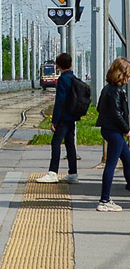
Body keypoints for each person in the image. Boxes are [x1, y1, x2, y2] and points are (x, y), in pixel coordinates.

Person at [38, 52, 80, 184]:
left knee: (55, 143)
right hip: (72, 117)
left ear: (58, 65)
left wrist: (54, 121)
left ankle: (52, 172)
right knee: (70, 144)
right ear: (70, 64)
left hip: (63, 118)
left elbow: (60, 101)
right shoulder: (73, 78)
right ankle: (73, 174)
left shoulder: (62, 79)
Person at [96, 57, 130, 212]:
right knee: (111, 164)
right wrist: (126, 129)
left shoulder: (107, 89)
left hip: (109, 129)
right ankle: (104, 200)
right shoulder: (116, 91)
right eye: (128, 74)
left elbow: (99, 108)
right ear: (121, 73)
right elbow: (117, 113)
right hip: (115, 131)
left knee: (128, 161)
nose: (129, 78)